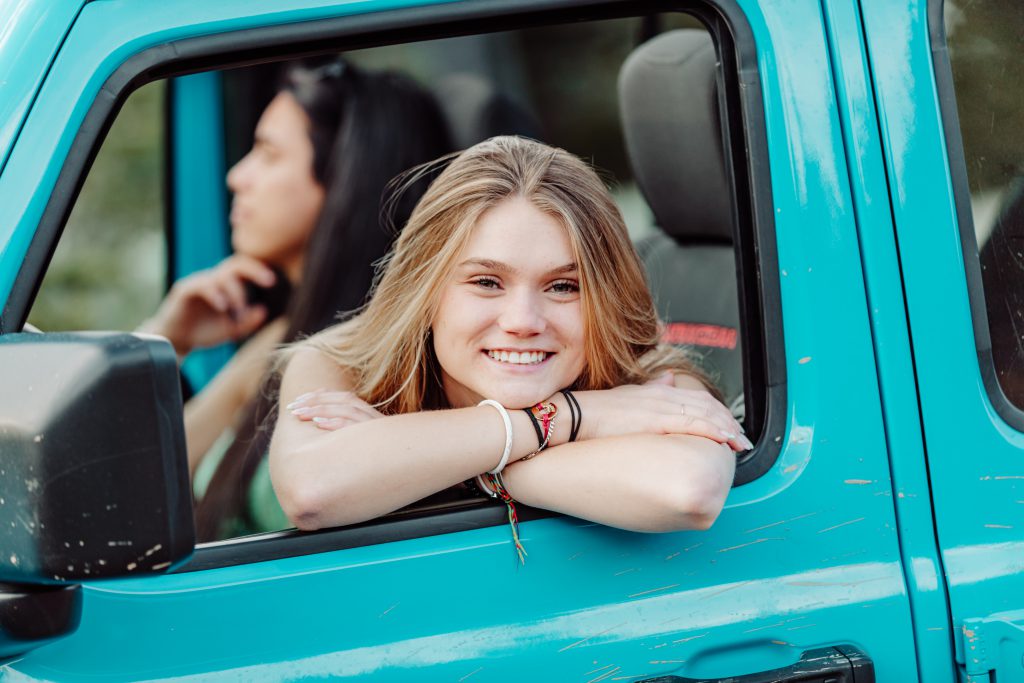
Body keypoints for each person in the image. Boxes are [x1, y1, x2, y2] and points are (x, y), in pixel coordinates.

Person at [268, 136, 751, 553]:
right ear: (426, 290)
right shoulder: (342, 361)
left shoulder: (651, 383)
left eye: (564, 287)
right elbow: (312, 491)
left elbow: (687, 489)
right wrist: (576, 418)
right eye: (486, 282)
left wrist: (450, 467)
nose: (522, 321)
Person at [140, 58, 452, 540]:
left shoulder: (389, 367)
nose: (237, 176)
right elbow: (148, 482)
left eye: (267, 154)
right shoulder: (282, 337)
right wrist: (165, 338)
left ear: (345, 176)